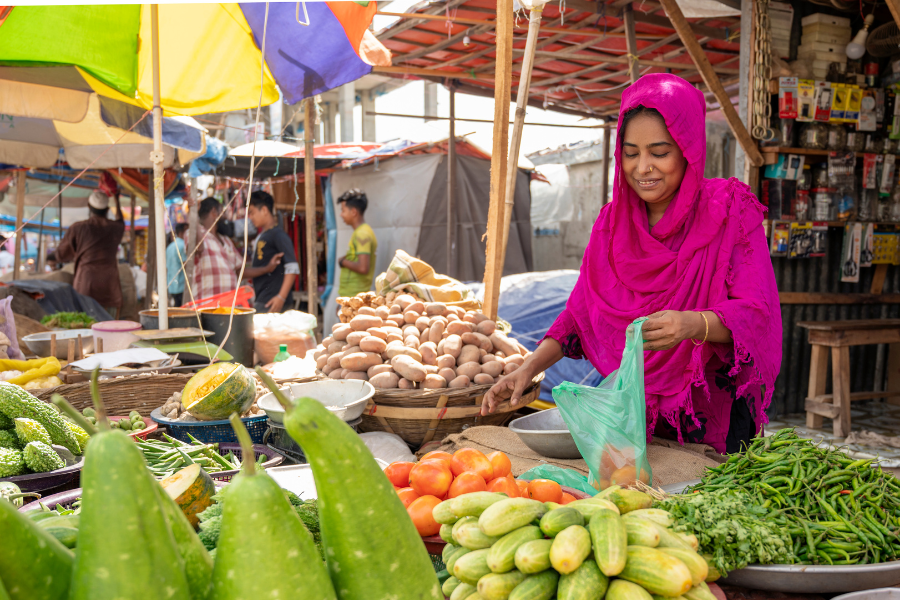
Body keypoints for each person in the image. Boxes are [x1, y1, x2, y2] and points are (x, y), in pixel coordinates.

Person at [482, 74, 782, 455]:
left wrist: (691, 323)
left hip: (715, 410)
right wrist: (529, 367)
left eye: (659, 153)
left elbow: (756, 314)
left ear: (688, 149)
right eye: (631, 152)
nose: (643, 168)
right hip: (637, 416)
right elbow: (580, 315)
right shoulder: (611, 223)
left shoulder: (730, 210)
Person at [55, 190, 126, 317]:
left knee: (83, 324)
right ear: (107, 209)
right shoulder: (116, 228)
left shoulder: (78, 228)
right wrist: (117, 199)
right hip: (109, 284)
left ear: (89, 206)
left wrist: (51, 258)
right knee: (108, 325)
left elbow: (61, 254)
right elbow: (121, 220)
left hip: (85, 282)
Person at [245, 190, 298, 313]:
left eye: (252, 213)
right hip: (264, 299)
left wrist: (281, 297)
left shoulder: (278, 234)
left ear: (264, 210)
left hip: (272, 302)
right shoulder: (264, 235)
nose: (250, 217)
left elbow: (293, 267)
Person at [190, 197, 242, 302]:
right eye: (222, 211)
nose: (226, 216)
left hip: (229, 308)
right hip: (206, 308)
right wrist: (193, 214)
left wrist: (267, 268)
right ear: (214, 211)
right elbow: (199, 247)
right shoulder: (194, 233)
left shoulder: (226, 240)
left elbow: (239, 269)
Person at [337, 189, 377, 297]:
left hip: (354, 296)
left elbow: (363, 267)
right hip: (353, 295)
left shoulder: (362, 234)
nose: (341, 215)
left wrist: (343, 262)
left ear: (353, 212)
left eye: (343, 210)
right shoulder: (361, 232)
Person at [166, 223, 188, 307]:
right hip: (181, 286)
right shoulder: (182, 245)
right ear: (182, 232)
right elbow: (186, 265)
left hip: (172, 286)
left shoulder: (170, 247)